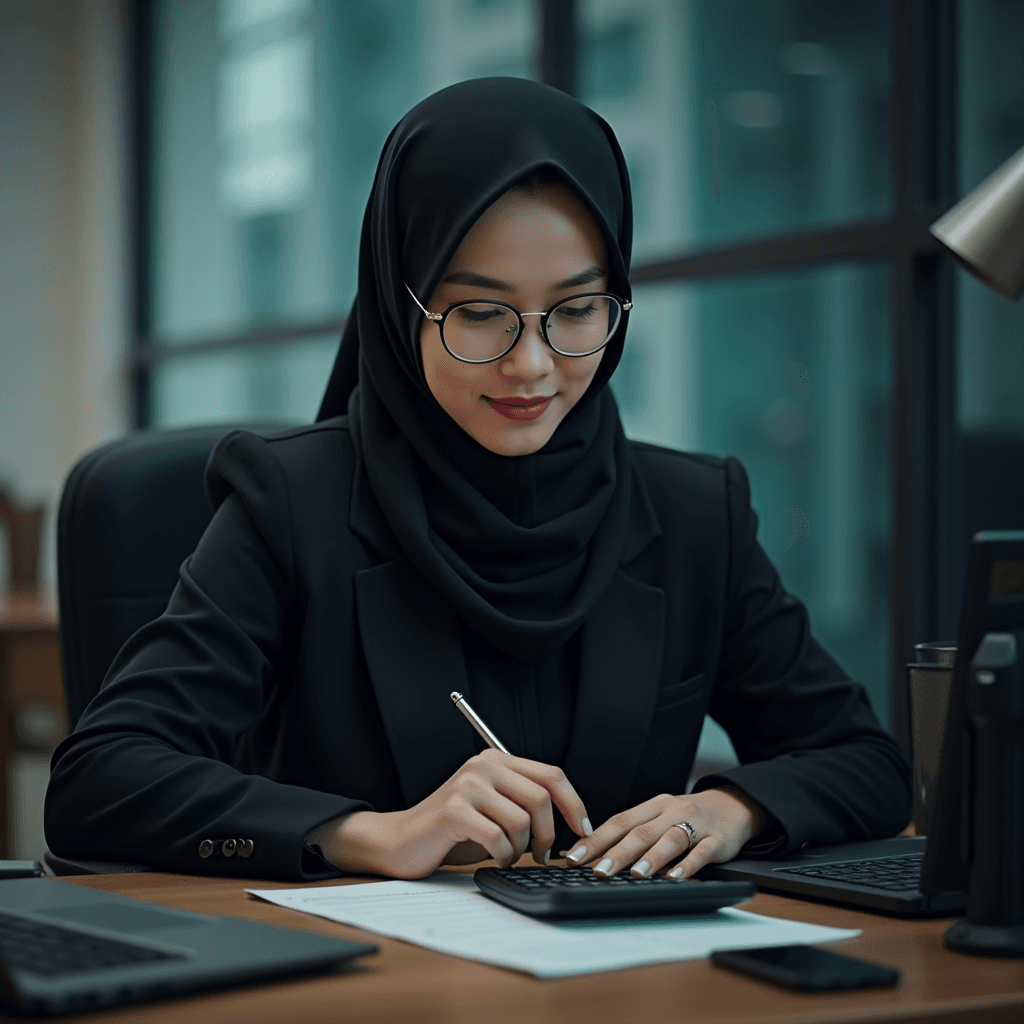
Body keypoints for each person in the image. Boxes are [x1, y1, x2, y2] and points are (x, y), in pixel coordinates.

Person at [44, 78, 910, 883]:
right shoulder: (292, 503)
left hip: (628, 983)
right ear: (399, 300)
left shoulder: (692, 515)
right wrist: (372, 833)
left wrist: (729, 810)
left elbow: (867, 764)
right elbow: (99, 781)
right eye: (480, 313)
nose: (533, 365)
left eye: (576, 311)